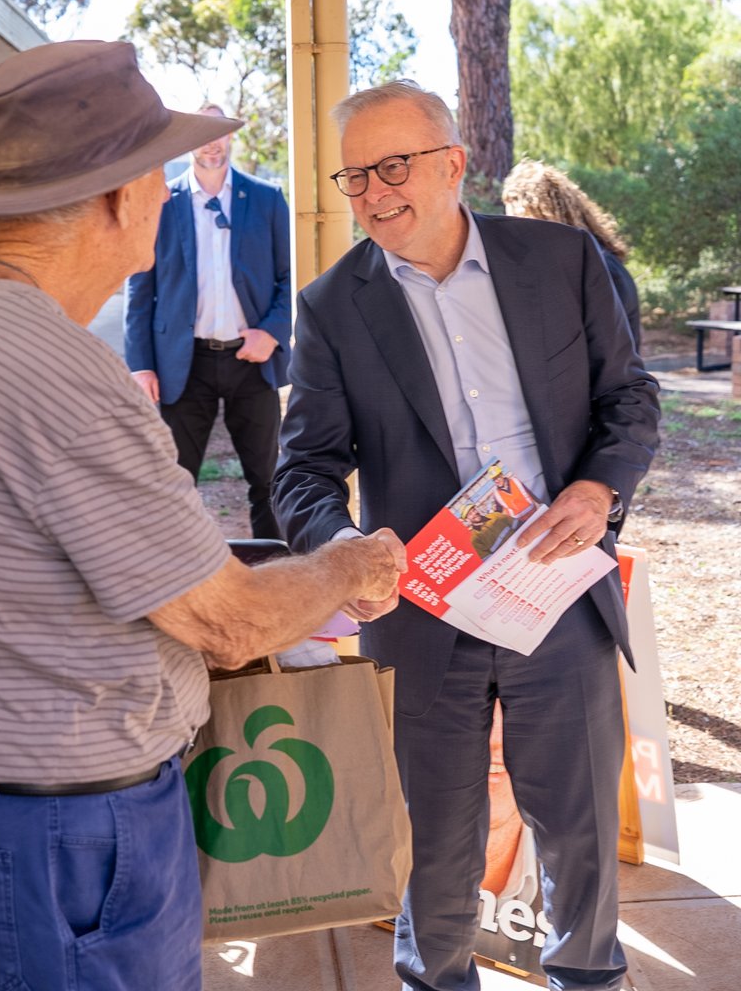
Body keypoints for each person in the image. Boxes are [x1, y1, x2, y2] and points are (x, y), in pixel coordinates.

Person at [0, 40, 404, 991]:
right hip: (60, 838)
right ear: (115, 197)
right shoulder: (59, 374)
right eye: (155, 168)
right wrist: (351, 565)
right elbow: (230, 622)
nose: (168, 185)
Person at [272, 80, 660, 991]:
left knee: (580, 833)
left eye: (394, 166)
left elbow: (630, 398)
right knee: (435, 845)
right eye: (355, 175)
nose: (373, 192)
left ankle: (588, 980)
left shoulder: (560, 261)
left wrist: (601, 487)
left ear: (452, 163)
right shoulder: (333, 306)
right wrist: (346, 552)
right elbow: (304, 469)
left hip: (555, 595)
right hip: (420, 610)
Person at [124, 103, 291, 539]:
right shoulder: (164, 201)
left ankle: (273, 568)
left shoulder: (266, 199)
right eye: (202, 133)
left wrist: (271, 333)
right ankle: (180, 578)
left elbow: (288, 276)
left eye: (219, 132)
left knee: (268, 479)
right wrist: (141, 364)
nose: (211, 142)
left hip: (250, 360)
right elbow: (140, 287)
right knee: (175, 482)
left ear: (231, 136)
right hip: (184, 362)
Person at [502, 160, 642, 350]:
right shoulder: (580, 264)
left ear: (543, 214)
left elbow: (608, 356)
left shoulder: (600, 267)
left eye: (519, 220)